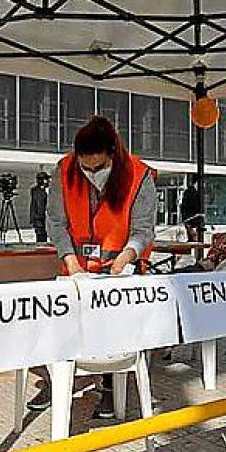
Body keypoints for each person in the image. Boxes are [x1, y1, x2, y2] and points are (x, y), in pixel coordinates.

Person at [26, 115, 157, 417]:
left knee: (114, 335)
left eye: (98, 167)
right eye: (86, 167)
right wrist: (71, 263)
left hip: (119, 271)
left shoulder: (139, 176)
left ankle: (110, 388)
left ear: (113, 155)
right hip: (76, 270)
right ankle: (58, 381)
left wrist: (124, 259)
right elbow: (56, 223)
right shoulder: (65, 170)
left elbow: (142, 230)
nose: (91, 173)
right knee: (64, 330)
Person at [180, 178, 204, 242]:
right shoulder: (190, 192)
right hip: (191, 216)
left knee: (194, 235)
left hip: (194, 217)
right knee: (192, 234)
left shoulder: (199, 192)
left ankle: (193, 240)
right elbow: (186, 206)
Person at [30, 172, 50, 243]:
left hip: (40, 218)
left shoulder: (39, 190)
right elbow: (39, 206)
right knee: (41, 238)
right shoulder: (38, 191)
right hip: (39, 219)